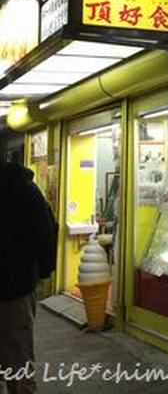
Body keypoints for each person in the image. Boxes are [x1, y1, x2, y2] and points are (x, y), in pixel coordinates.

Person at [0, 162, 57, 394]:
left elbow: (44, 234)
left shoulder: (21, 189)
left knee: (17, 365)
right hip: (14, 286)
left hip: (12, 293)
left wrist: (12, 267)